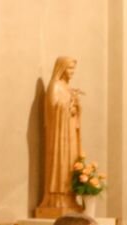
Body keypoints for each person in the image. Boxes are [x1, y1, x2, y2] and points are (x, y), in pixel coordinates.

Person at [38, 56, 84, 212]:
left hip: (70, 133)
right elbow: (52, 109)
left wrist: (76, 106)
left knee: (71, 163)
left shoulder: (67, 88)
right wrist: (68, 105)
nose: (72, 72)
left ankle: (70, 198)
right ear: (62, 68)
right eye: (70, 68)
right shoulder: (55, 86)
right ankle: (57, 199)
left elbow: (73, 111)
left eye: (73, 69)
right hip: (59, 135)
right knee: (61, 163)